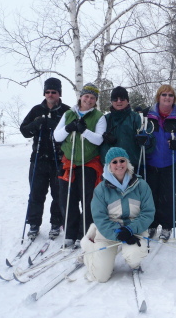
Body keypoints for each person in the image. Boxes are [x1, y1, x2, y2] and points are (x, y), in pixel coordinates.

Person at [80, 147, 155, 282]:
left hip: (134, 230)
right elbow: (100, 217)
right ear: (109, 166)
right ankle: (89, 245)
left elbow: (148, 213)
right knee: (101, 277)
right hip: (109, 230)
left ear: (127, 163)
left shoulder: (141, 185)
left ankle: (134, 261)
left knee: (134, 256)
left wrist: (131, 229)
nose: (119, 164)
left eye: (122, 160)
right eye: (114, 162)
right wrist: (117, 232)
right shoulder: (101, 189)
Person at [54, 83, 106, 247]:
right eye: (86, 96)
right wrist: (69, 128)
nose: (89, 100)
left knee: (88, 199)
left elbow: (99, 139)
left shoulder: (99, 116)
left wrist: (84, 131)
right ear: (81, 97)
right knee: (67, 199)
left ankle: (83, 233)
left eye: (92, 98)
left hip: (89, 162)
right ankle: (70, 233)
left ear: (95, 100)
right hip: (69, 163)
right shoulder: (69, 113)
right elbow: (57, 136)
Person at [19, 77, 70, 239]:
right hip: (39, 159)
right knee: (36, 193)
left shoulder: (66, 111)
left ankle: (56, 222)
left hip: (58, 159)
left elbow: (72, 131)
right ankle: (34, 224)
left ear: (59, 93)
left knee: (58, 193)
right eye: (47, 92)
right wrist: (37, 123)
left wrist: (54, 124)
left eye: (53, 92)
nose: (50, 95)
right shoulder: (36, 110)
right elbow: (24, 130)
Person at [143, 84, 176, 241]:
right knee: (150, 195)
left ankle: (167, 226)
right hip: (150, 162)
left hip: (171, 162)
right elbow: (137, 132)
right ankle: (151, 224)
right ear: (158, 97)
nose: (167, 98)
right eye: (164, 95)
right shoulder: (147, 115)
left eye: (170, 95)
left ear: (174, 98)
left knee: (168, 195)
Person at [100, 86, 154, 172]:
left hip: (133, 166)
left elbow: (151, 142)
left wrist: (146, 140)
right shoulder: (104, 119)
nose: (119, 101)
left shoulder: (137, 118)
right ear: (111, 101)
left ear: (127, 100)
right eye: (115, 99)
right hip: (110, 168)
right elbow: (95, 140)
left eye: (122, 98)